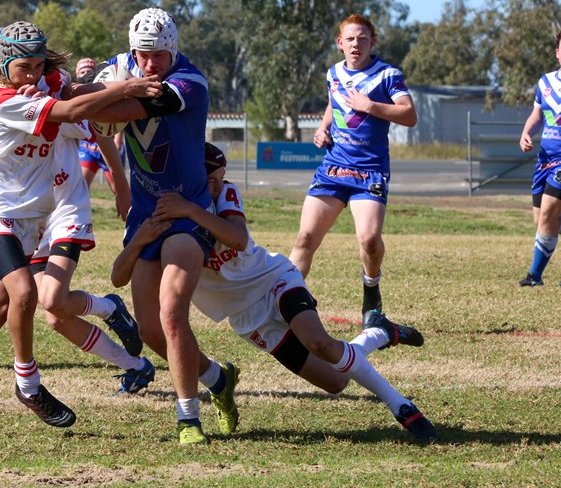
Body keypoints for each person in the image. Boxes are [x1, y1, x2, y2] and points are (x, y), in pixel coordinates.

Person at [0, 21, 163, 435]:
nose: (31, 75)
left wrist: (106, 92)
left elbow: (76, 96)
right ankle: (28, 385)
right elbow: (71, 111)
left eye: (37, 66)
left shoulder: (50, 81)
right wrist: (127, 87)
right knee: (26, 293)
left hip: (32, 216)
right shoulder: (2, 100)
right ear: (3, 65)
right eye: (22, 67)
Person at [113, 143, 438, 445]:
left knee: (320, 343)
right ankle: (378, 333)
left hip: (273, 280)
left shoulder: (223, 194)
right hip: (248, 317)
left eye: (220, 178)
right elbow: (118, 277)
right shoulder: (159, 213)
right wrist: (142, 238)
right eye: (211, 180)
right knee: (336, 382)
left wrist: (190, 210)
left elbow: (238, 239)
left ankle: (402, 407)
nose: (217, 186)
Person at [98, 7, 239, 444]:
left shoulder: (190, 81)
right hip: (145, 213)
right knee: (149, 331)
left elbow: (122, 109)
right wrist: (94, 89)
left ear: (173, 49)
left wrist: (101, 96)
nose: (149, 63)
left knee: (172, 313)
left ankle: (188, 418)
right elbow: (87, 97)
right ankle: (217, 378)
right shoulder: (124, 67)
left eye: (158, 54)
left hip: (187, 209)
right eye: (142, 55)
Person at [289, 13, 417, 318]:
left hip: (370, 170)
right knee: (305, 238)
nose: (356, 44)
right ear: (340, 43)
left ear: (372, 42)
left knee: (369, 241)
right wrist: (323, 128)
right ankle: (286, 300)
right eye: (350, 39)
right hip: (334, 167)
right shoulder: (333, 73)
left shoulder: (387, 75)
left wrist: (370, 106)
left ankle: (371, 288)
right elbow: (334, 103)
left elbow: (409, 114)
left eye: (362, 38)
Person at [518, 30, 561, 287]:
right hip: (545, 160)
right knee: (542, 220)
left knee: (548, 212)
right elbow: (538, 115)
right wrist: (526, 133)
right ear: (557, 53)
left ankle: (534, 276)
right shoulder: (545, 82)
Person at [75, 57, 127, 193]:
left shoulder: (103, 92)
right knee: (81, 187)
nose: (86, 74)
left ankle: (129, 205)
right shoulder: (73, 93)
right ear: (77, 74)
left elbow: (119, 117)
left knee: (118, 190)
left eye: (89, 72)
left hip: (108, 145)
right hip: (87, 148)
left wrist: (117, 141)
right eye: (83, 72)